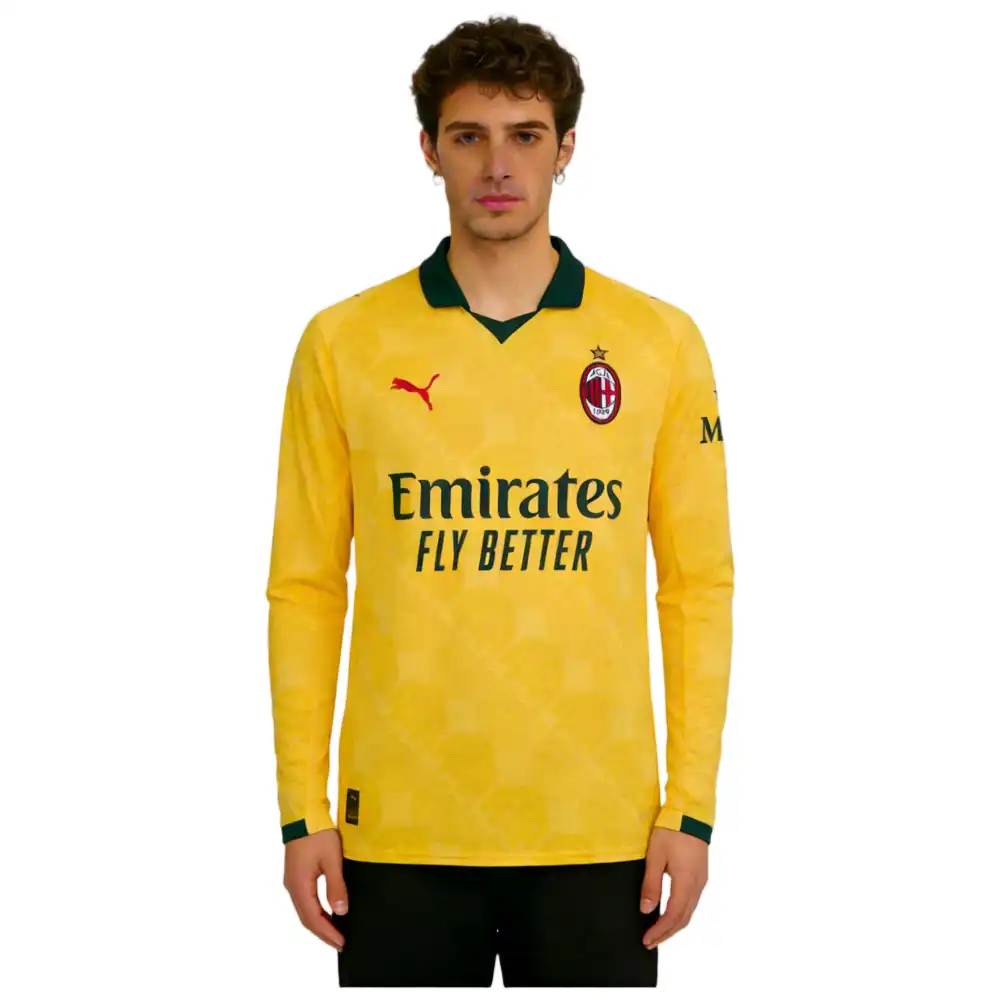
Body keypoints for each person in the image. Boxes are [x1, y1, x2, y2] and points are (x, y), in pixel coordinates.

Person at [265, 14, 734, 988]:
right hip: (396, 830)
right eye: (468, 134)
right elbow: (305, 587)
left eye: (525, 134)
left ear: (566, 148)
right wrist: (302, 810)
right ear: (428, 148)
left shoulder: (658, 342)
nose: (497, 164)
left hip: (601, 827)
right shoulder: (344, 343)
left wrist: (688, 808)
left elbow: (697, 586)